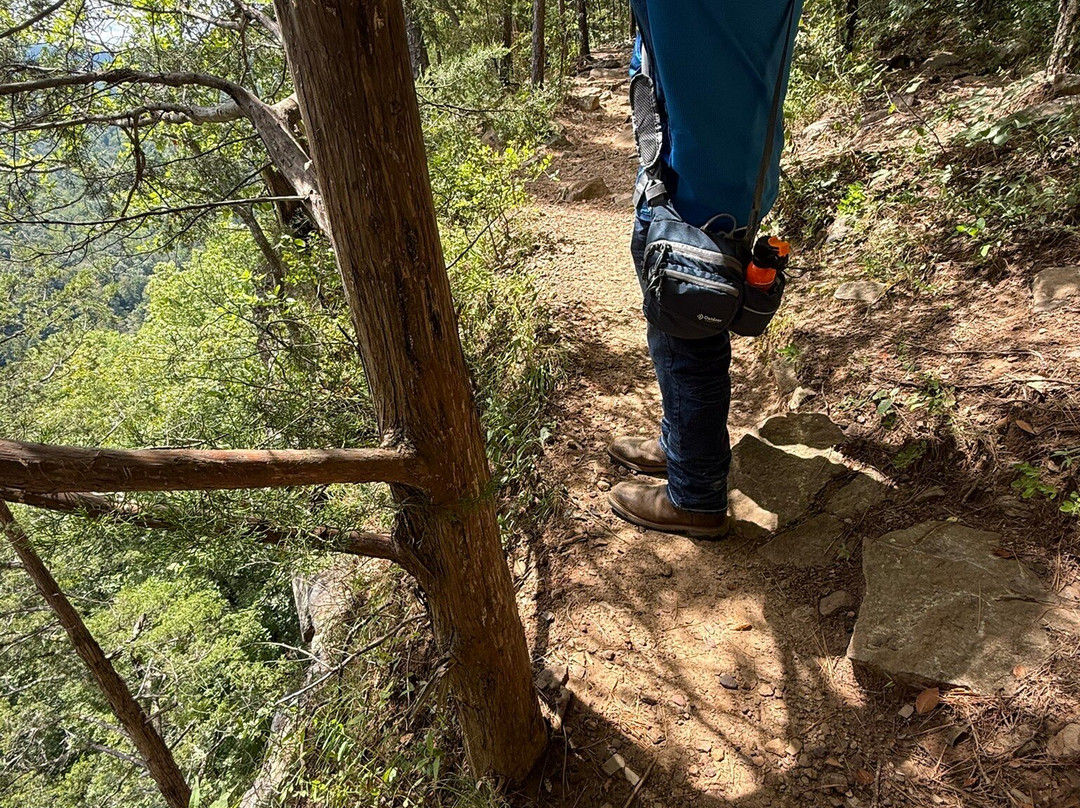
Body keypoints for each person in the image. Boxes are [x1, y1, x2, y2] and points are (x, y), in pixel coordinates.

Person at [607, 0, 803, 539]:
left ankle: (695, 494)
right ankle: (681, 443)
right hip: (709, 174)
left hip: (699, 189)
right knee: (678, 326)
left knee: (688, 332)